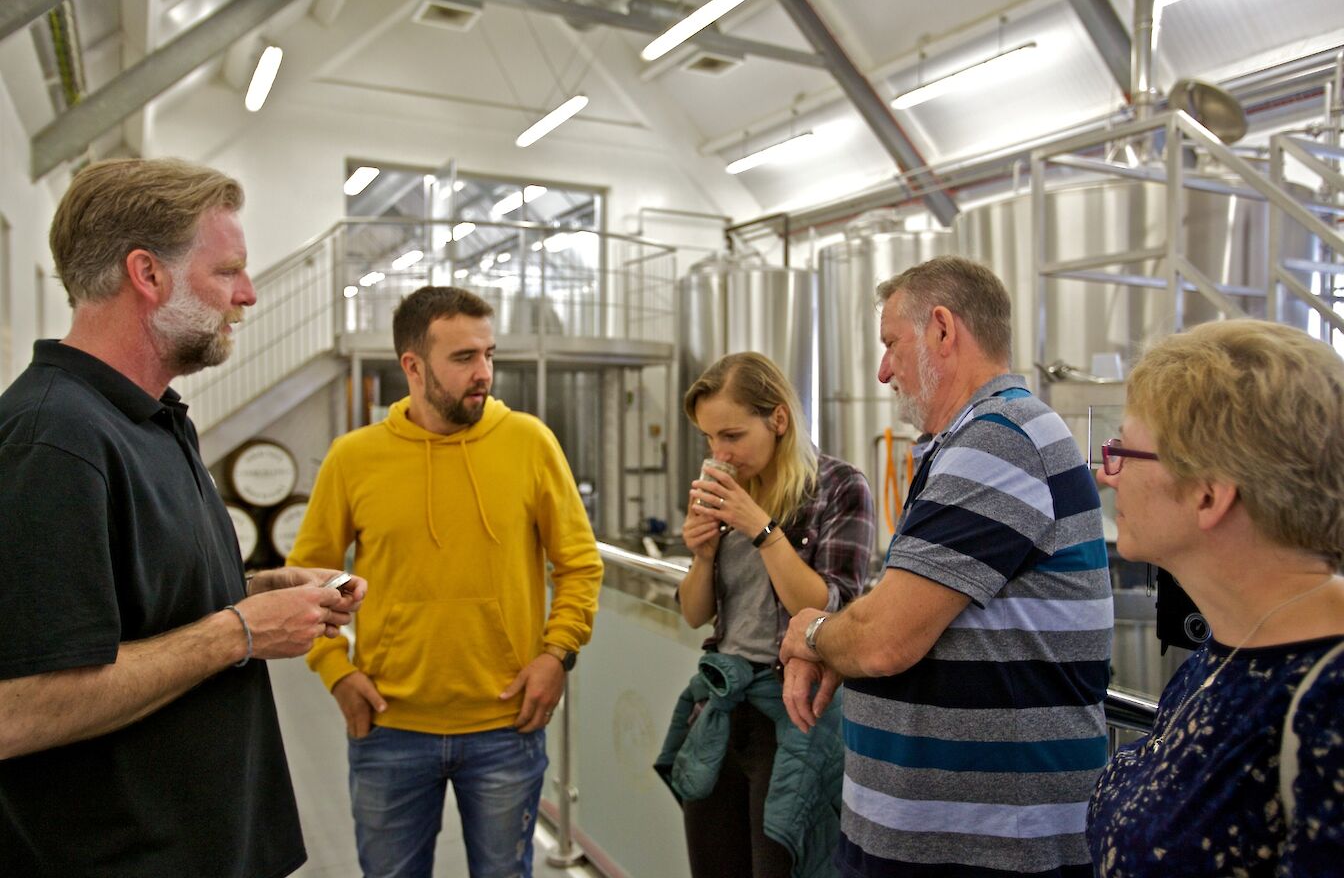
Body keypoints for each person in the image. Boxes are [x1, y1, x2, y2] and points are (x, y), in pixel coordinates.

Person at [0, 157, 365, 877]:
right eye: (227, 271)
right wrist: (238, 632)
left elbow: (136, 611)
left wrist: (253, 593)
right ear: (149, 275)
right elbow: (19, 709)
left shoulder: (156, 420)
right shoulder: (53, 439)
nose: (249, 295)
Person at [779, 255, 1113, 878]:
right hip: (941, 840)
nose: (883, 371)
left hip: (988, 849)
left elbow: (883, 641)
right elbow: (895, 613)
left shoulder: (1000, 438)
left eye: (890, 345)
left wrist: (814, 634)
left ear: (941, 329)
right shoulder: (968, 443)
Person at [287, 284, 603, 878]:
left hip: (506, 725)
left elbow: (580, 564)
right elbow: (313, 581)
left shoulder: (530, 442)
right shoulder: (354, 458)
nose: (483, 372)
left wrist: (558, 654)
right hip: (389, 727)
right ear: (413, 365)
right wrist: (335, 671)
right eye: (464, 358)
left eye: (488, 355)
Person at [1086, 319, 1344, 876]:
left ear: (1209, 493)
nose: (1110, 476)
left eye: (1125, 451)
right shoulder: (1223, 651)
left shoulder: (1330, 701)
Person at [657, 351, 876, 878]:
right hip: (725, 708)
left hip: (795, 713)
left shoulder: (841, 488)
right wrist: (704, 556)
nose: (720, 454)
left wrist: (761, 529)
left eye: (731, 435)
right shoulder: (730, 494)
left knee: (784, 863)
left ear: (778, 419)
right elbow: (694, 614)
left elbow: (825, 611)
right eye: (709, 439)